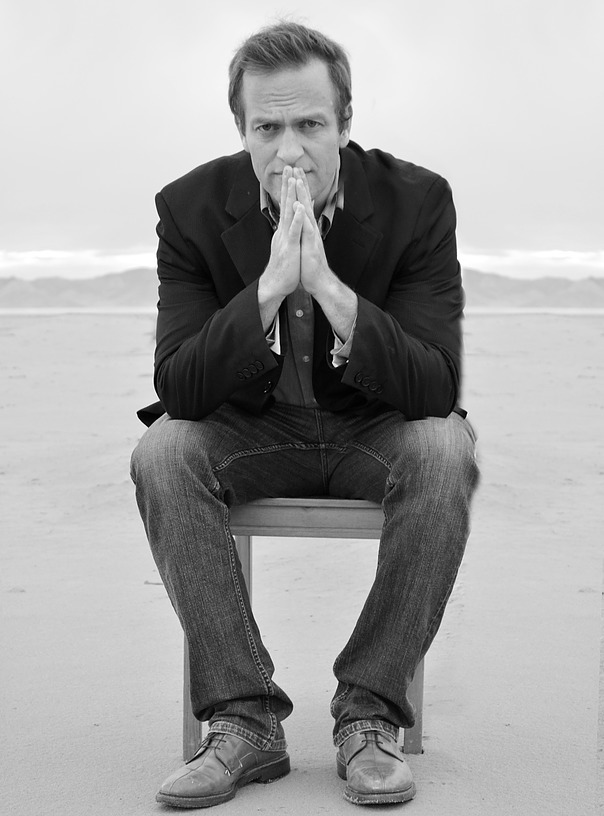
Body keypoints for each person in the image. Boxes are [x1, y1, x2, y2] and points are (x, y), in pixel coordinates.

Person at [130, 20, 479, 809]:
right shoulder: (188, 208)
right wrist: (267, 289)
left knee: (445, 448)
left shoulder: (417, 201)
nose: (290, 150)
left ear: (345, 124)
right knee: (163, 452)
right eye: (268, 128)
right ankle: (243, 721)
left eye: (311, 125)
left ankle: (370, 714)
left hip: (373, 427)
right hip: (255, 431)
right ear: (241, 130)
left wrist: (326, 287)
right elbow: (181, 387)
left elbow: (433, 384)